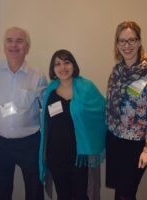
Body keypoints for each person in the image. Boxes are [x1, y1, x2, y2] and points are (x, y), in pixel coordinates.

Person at [0, 27, 47, 200]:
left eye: (19, 41)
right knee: (0, 191)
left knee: (35, 191)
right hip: (0, 143)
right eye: (9, 40)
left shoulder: (37, 76)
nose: (14, 45)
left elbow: (46, 107)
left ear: (27, 47)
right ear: (4, 45)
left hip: (30, 143)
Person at [105, 21, 147, 200]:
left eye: (131, 40)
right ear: (117, 44)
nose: (126, 45)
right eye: (122, 41)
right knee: (119, 192)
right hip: (115, 139)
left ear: (139, 42)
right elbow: (110, 104)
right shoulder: (117, 71)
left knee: (126, 193)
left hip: (136, 145)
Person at [39, 49, 107, 200]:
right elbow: (47, 125)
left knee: (81, 195)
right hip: (55, 156)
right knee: (63, 195)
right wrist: (44, 153)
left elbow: (103, 111)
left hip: (79, 156)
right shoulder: (50, 91)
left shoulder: (86, 87)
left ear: (73, 65)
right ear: (53, 69)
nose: (62, 68)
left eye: (66, 62)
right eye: (57, 64)